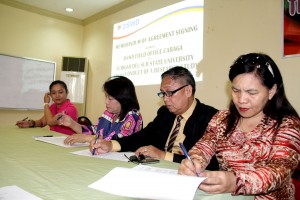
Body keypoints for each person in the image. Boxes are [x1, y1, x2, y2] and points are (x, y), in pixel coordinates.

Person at [178, 53, 300, 199]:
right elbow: (203, 147)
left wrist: (236, 182)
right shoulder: (222, 119)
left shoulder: (287, 124)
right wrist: (194, 162)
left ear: (272, 91)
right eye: (236, 90)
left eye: (252, 92)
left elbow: (279, 171)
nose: (241, 100)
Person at [90, 66, 219, 170]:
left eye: (169, 93)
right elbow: (142, 136)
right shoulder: (165, 113)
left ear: (188, 91)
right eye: (163, 94)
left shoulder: (211, 118)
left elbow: (211, 163)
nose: (165, 99)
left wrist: (163, 155)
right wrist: (111, 145)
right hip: (159, 170)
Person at [62, 76, 143, 144]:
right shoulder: (109, 113)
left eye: (110, 98)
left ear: (123, 99)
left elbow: (119, 141)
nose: (106, 101)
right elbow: (95, 131)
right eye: (106, 97)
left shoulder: (133, 115)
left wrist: (88, 138)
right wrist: (72, 123)